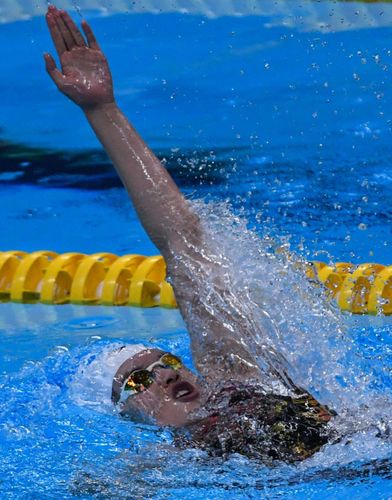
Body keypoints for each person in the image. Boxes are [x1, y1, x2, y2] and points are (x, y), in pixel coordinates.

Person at [43, 5, 334, 463]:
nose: (164, 374)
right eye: (139, 381)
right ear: (127, 415)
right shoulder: (162, 467)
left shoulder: (236, 377)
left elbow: (182, 240)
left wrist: (103, 109)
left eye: (169, 362)